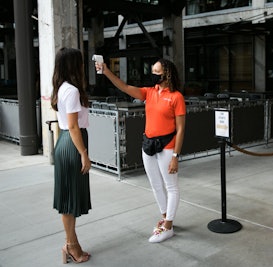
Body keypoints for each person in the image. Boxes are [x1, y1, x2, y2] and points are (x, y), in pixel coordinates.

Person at [96, 58, 186, 243]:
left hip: (167, 145)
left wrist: (175, 156)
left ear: (167, 74)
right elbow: (124, 87)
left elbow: (181, 129)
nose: (152, 75)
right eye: (152, 70)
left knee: (171, 186)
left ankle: (168, 227)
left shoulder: (176, 97)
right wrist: (106, 71)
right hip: (148, 144)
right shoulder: (149, 92)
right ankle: (165, 218)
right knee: (155, 184)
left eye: (156, 72)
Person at [51, 47, 92, 264]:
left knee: (69, 198)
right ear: (73, 65)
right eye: (80, 62)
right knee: (69, 201)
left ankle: (71, 244)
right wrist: (84, 154)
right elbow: (74, 127)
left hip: (65, 143)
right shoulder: (72, 91)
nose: (82, 66)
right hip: (73, 144)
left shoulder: (61, 88)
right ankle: (71, 246)